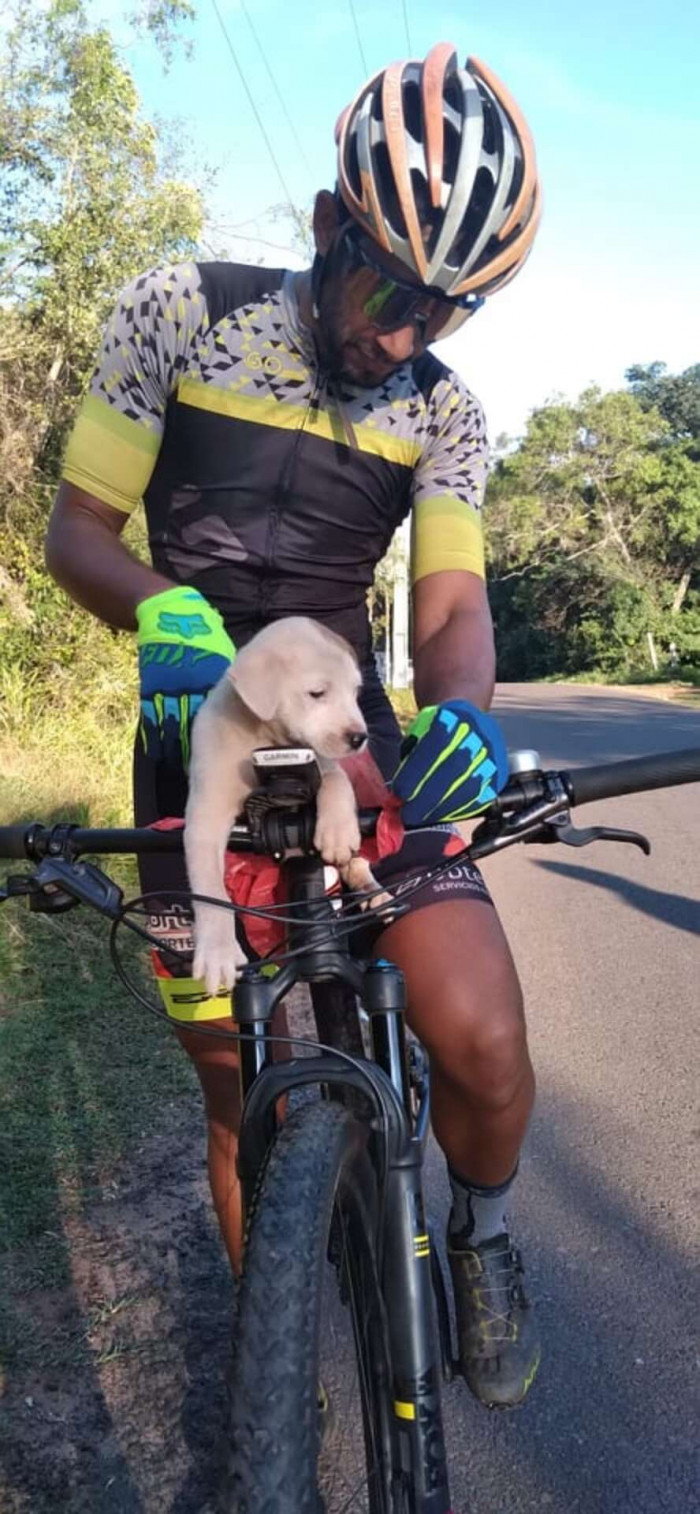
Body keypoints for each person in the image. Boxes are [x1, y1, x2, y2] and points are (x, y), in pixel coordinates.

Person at [46, 43, 542, 1409]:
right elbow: (76, 532)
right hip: (197, 753)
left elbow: (448, 604)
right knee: (234, 1100)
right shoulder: (179, 311)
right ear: (329, 225)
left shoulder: (444, 413)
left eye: (437, 311)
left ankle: (486, 1241)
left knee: (484, 1038)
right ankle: (285, 1395)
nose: (397, 333)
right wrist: (161, 613)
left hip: (349, 751)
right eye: (384, 282)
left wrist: (471, 719)